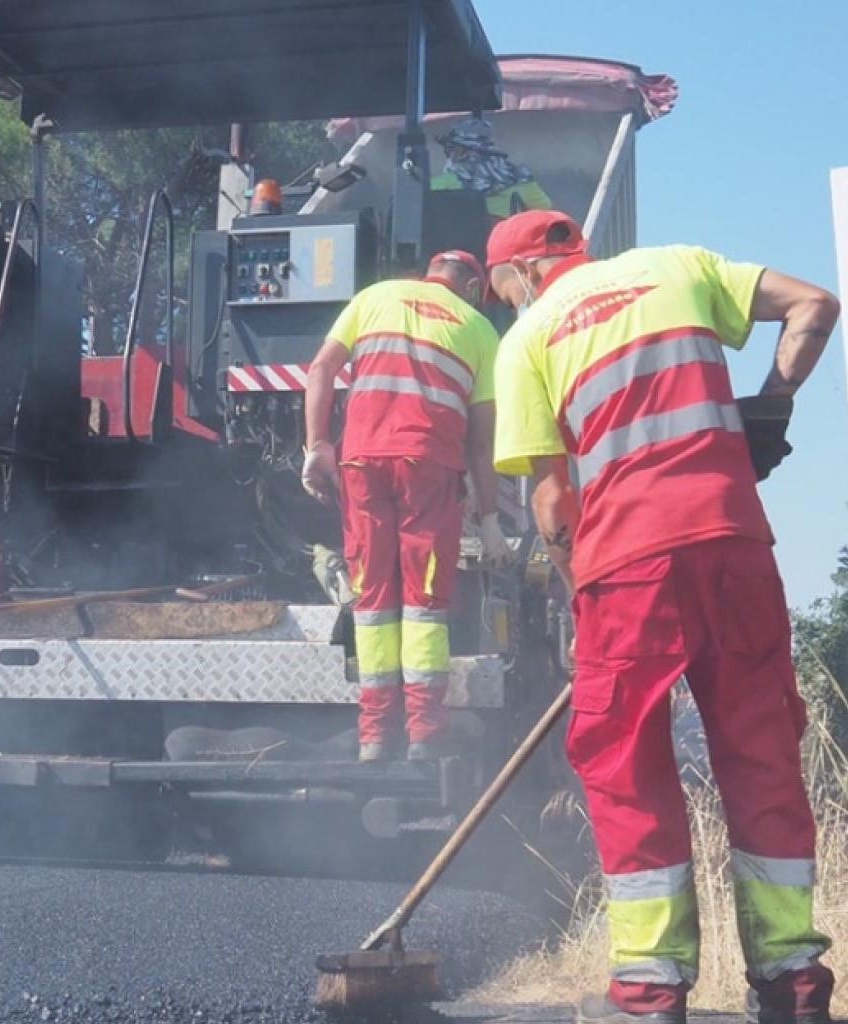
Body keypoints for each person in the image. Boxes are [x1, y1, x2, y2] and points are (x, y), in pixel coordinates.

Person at [487, 209, 839, 1024]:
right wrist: (772, 406)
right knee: (761, 752)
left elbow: (550, 505)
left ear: (525, 273)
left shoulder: (531, 335)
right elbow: (817, 304)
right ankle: (792, 984)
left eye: (505, 290)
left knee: (626, 762)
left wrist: (583, 599)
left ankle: (649, 994)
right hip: (734, 539)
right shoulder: (678, 265)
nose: (509, 305)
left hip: (627, 565)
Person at [302, 250, 511, 762]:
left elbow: (321, 369)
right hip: (430, 470)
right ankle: (423, 734)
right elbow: (482, 443)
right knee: (424, 604)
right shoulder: (480, 328)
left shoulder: (374, 297)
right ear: (470, 287)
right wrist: (489, 520)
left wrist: (317, 445)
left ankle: (374, 736)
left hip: (363, 462)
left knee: (372, 601)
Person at [432, 116, 553, 220]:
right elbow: (548, 216)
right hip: (510, 245)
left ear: (463, 151)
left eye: (452, 149)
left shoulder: (443, 184)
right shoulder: (519, 177)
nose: (450, 155)